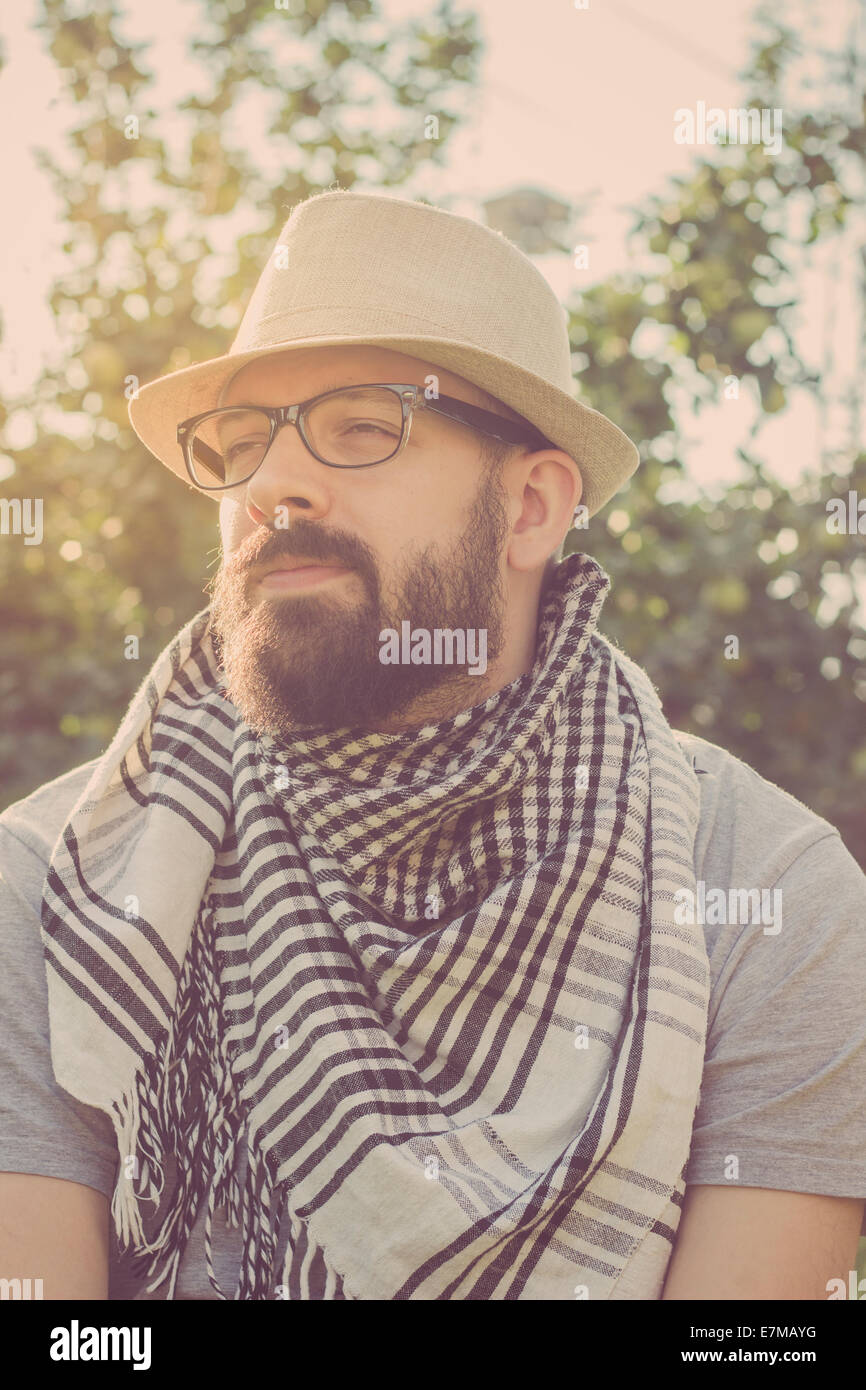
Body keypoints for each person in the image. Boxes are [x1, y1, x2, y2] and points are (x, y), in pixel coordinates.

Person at [1, 189, 864, 1302]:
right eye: (239, 443)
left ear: (531, 508)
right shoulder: (62, 888)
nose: (269, 485)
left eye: (363, 424)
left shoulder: (764, 892)